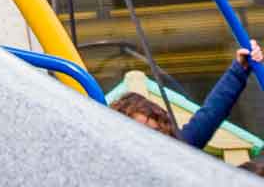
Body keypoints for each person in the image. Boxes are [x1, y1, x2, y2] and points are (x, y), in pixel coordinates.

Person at [112, 40, 261, 151]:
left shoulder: (179, 151)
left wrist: (240, 68)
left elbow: (211, 113)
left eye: (155, 132)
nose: (148, 141)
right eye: (138, 133)